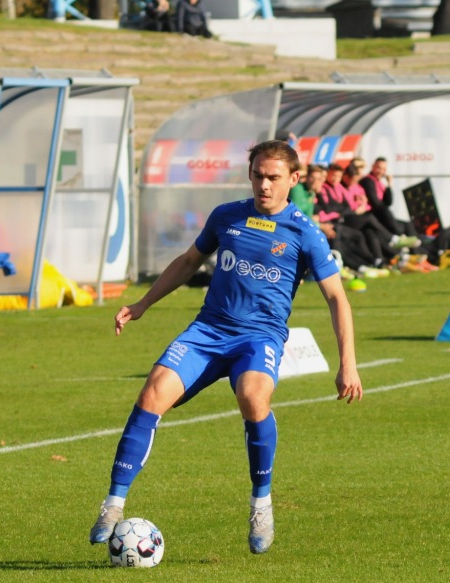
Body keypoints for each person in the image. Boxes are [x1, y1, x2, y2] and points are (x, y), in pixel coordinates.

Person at [89, 140, 363, 555]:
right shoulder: (227, 216)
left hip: (259, 338)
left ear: (294, 179)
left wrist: (348, 364)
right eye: (258, 175)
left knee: (253, 398)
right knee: (151, 394)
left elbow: (337, 298)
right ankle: (113, 504)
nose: (264, 185)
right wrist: (143, 303)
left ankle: (261, 505)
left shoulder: (304, 232)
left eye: (273, 177)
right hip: (208, 331)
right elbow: (188, 261)